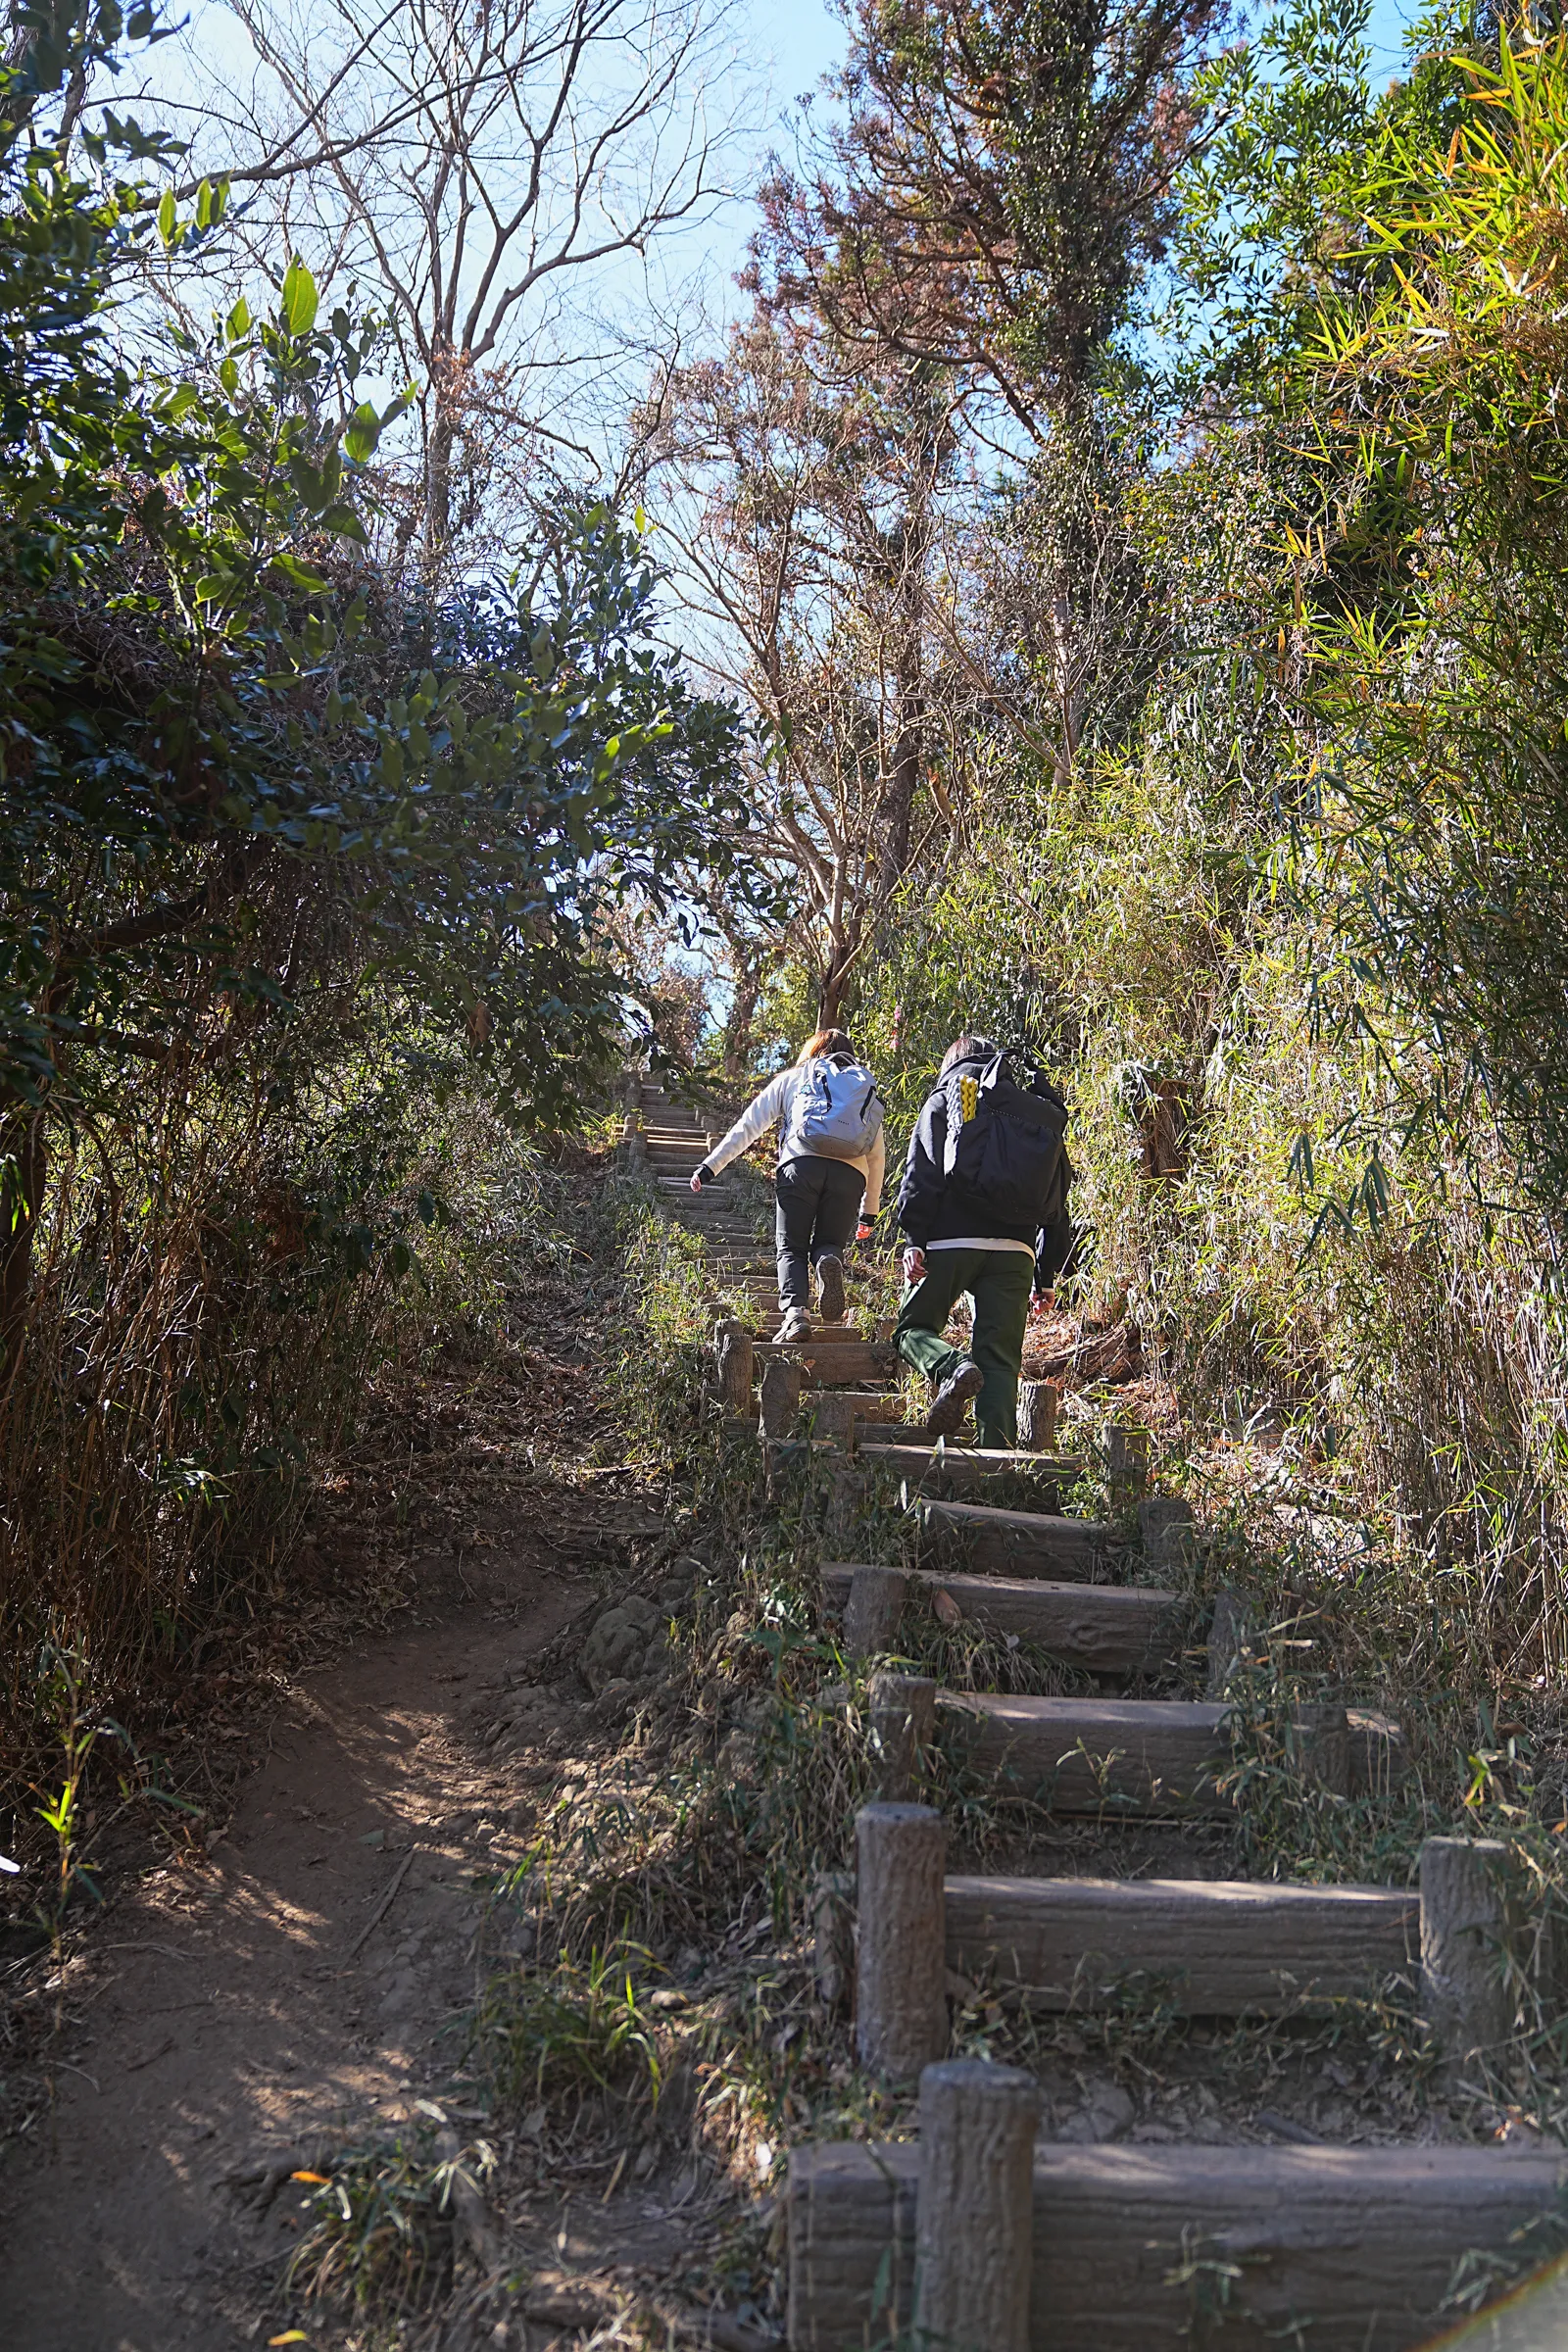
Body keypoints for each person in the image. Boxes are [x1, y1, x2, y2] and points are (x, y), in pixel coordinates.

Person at [894, 1035, 1074, 1446]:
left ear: (952, 1063)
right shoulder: (1031, 1108)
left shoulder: (960, 1094)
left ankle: (952, 1367)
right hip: (1016, 1251)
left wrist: (915, 1238)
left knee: (912, 1329)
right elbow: (1057, 1193)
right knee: (1000, 1360)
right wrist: (1045, 1274)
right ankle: (997, 1461)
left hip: (949, 1240)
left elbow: (922, 1171)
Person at [692, 1028, 886, 1343]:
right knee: (828, 1244)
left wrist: (710, 1166)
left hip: (800, 1165)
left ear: (812, 1051)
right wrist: (869, 1213)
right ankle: (826, 1261)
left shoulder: (796, 1077)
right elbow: (876, 1155)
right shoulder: (861, 1088)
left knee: (792, 1246)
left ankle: (796, 1316)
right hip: (850, 1175)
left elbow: (749, 1125)